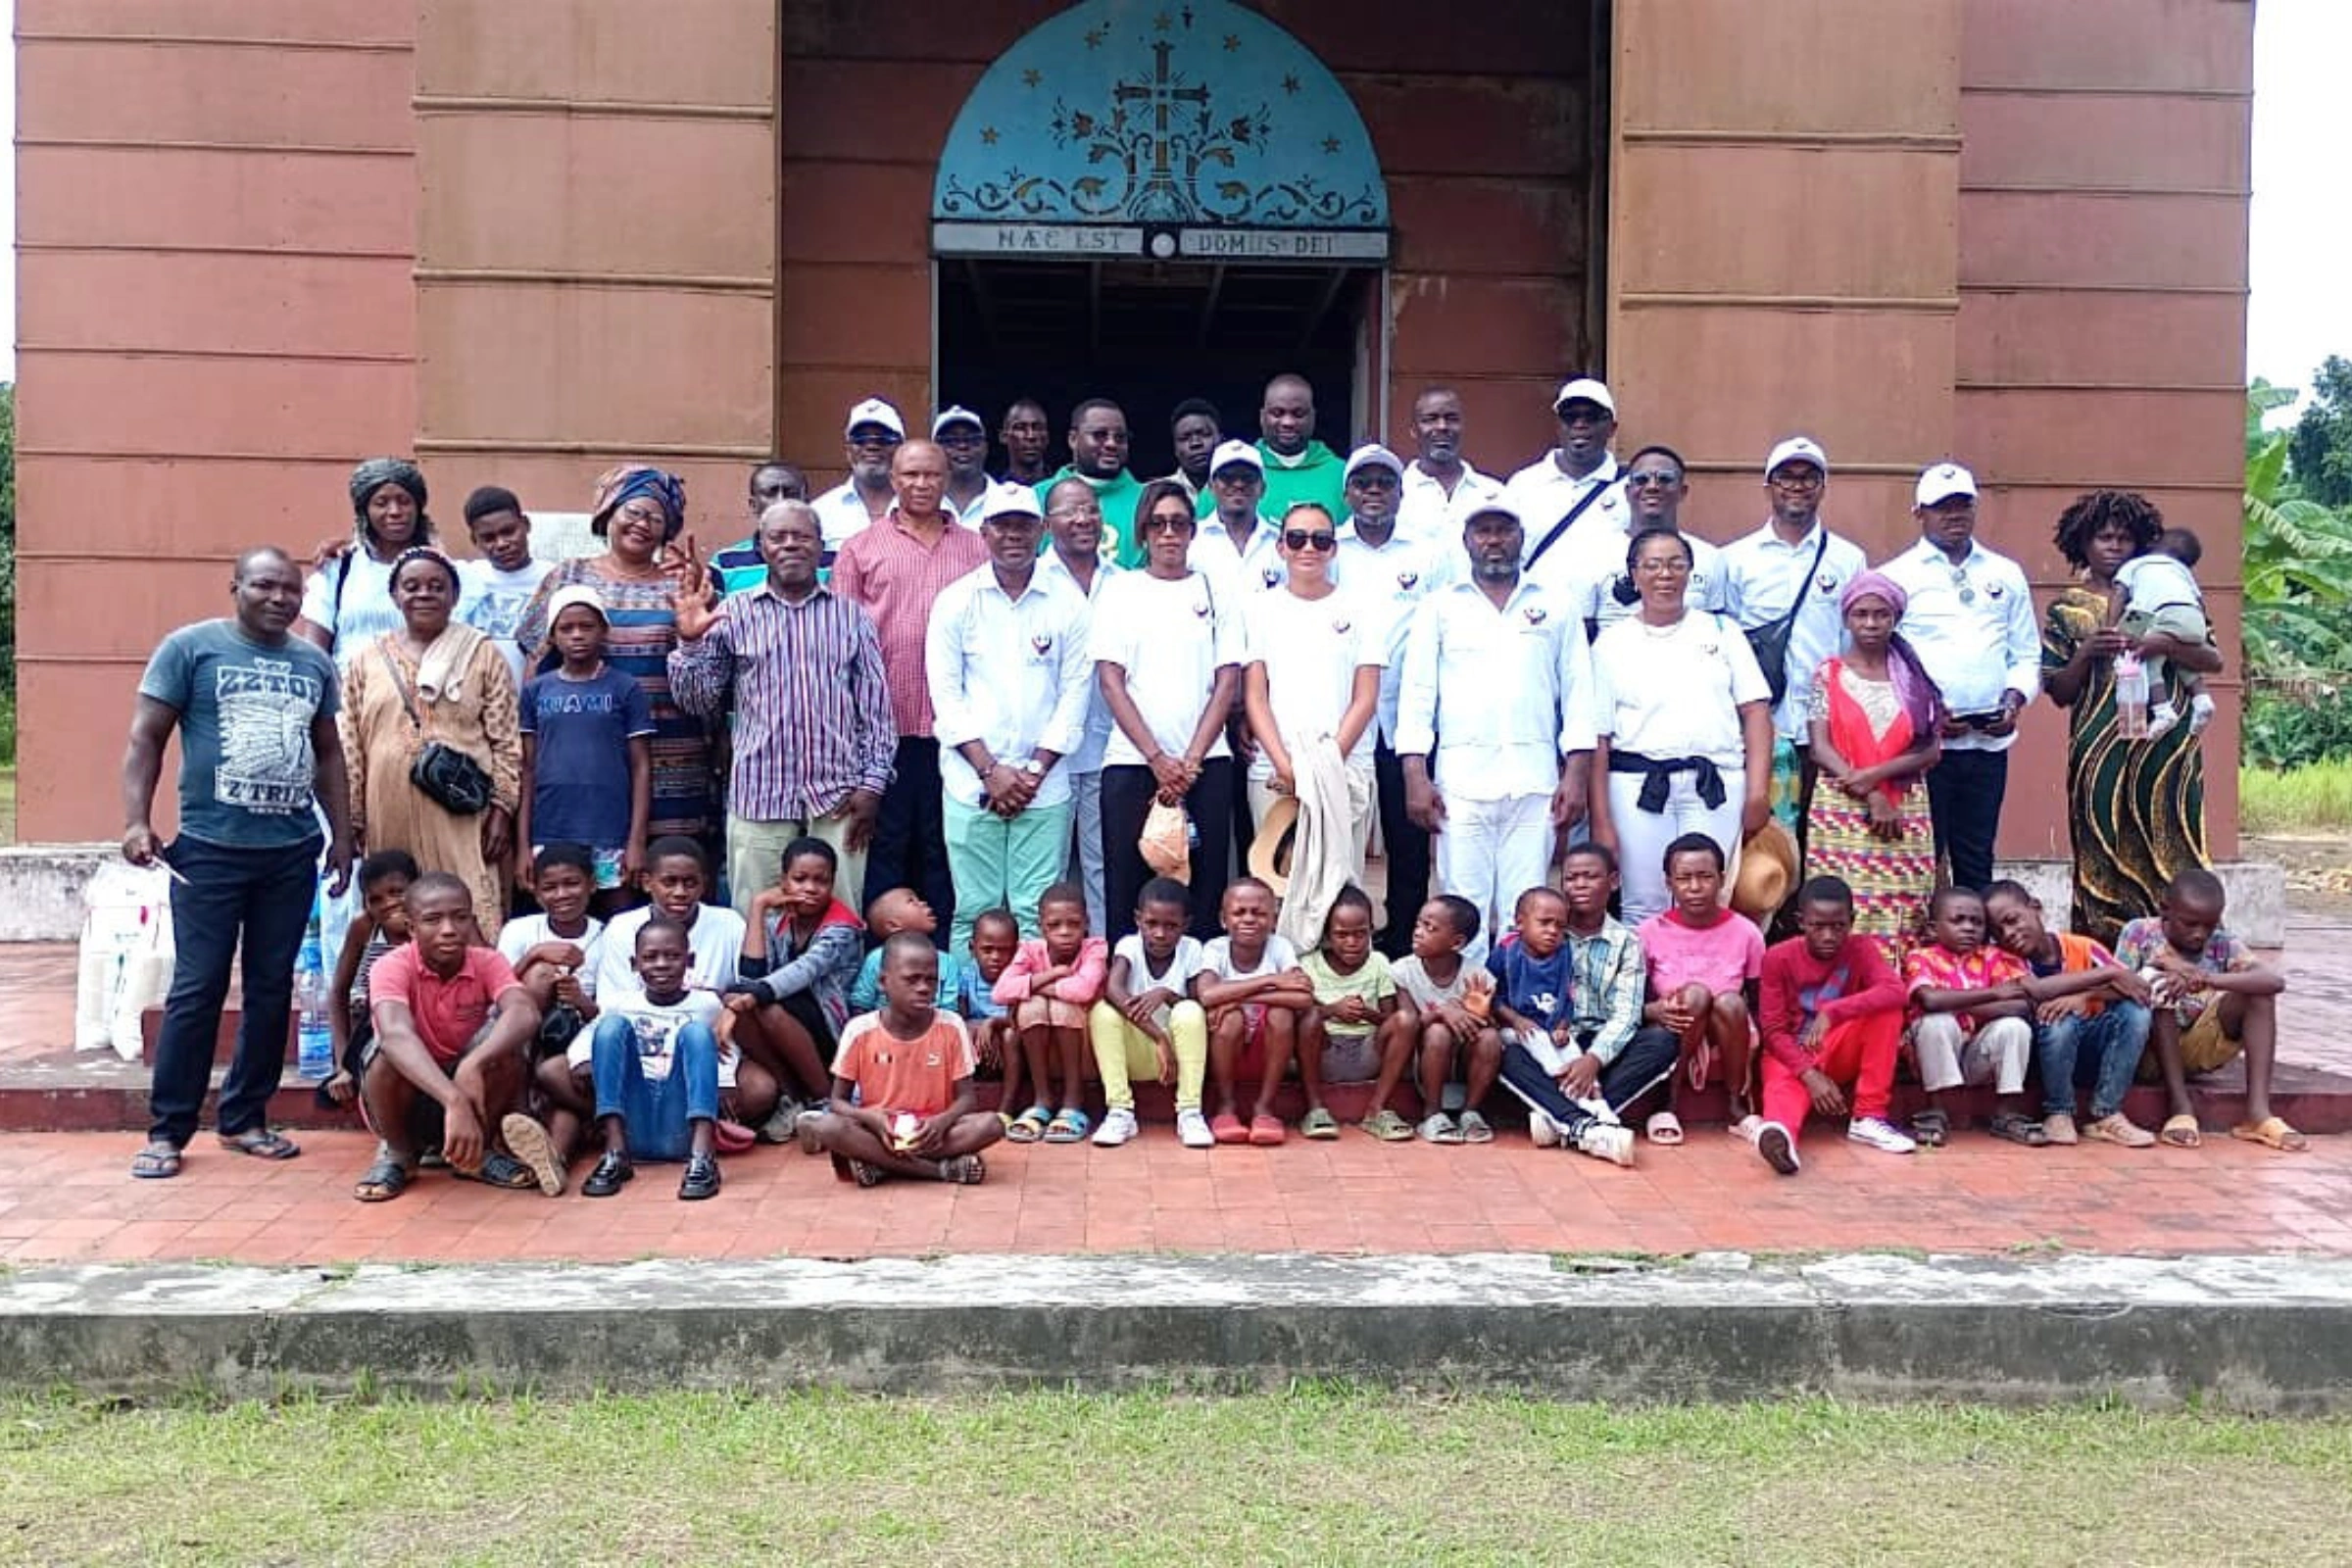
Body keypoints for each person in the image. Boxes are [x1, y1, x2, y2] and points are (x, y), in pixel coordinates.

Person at [122, 547, 354, 1179]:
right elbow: (147, 736)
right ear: (236, 588)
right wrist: (137, 819)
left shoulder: (313, 662)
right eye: (265, 586)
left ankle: (244, 1118)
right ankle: (168, 1130)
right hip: (208, 852)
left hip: (289, 853)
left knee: (270, 987)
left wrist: (342, 834)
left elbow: (328, 753)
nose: (280, 598)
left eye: (290, 590)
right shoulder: (191, 649)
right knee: (197, 990)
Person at [668, 500, 894, 920]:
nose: (791, 545)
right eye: (778, 537)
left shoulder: (851, 617)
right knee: (758, 918)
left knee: (839, 920)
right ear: (762, 547)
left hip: (839, 796)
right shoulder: (733, 614)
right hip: (760, 793)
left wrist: (872, 785)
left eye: (802, 536)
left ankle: (831, 990)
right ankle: (760, 988)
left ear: (819, 545)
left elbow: (876, 713)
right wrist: (689, 643)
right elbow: (697, 701)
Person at [1396, 499, 1595, 941]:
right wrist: (1415, 773)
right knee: (1461, 906)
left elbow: (1580, 693)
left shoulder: (1556, 604)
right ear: (1466, 540)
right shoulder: (1439, 606)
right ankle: (1467, 1006)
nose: (1494, 541)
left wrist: (1577, 773)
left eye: (1503, 531)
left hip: (1535, 779)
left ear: (1521, 537)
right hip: (1460, 782)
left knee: (1527, 905)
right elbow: (1417, 695)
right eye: (1483, 531)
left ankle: (1515, 1003)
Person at [2042, 491, 2222, 947]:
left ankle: (2182, 958)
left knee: (2172, 842)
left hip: (2167, 744)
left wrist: (2165, 646)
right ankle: (2102, 962)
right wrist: (2086, 653)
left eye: (2125, 537)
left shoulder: (2171, 590)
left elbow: (2212, 659)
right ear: (2082, 543)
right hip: (2099, 749)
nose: (2114, 546)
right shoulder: (2068, 608)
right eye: (2104, 537)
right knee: (2100, 843)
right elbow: (2058, 691)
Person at [927, 483, 1094, 951]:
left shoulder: (1067, 602)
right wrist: (990, 771)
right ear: (984, 532)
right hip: (969, 781)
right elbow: (946, 697)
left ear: (1041, 530)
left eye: (1024, 525)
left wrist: (1032, 772)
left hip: (1044, 786)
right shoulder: (956, 601)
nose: (1013, 535)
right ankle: (965, 1013)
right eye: (1003, 526)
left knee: (1035, 910)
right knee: (974, 909)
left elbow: (1075, 695)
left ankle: (1028, 1013)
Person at [834, 438, 991, 931]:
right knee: (885, 847)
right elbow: (841, 647)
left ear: (946, 479)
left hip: (958, 730)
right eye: (910, 475)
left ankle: (945, 963)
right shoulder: (860, 549)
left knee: (945, 848)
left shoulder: (976, 548)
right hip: (885, 728)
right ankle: (881, 971)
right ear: (893, 479)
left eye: (931, 475)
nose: (921, 484)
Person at [515, 464, 712, 847]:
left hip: (672, 753)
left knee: (667, 869)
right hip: (585, 756)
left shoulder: (684, 583)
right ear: (609, 512)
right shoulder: (568, 576)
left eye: (656, 518)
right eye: (634, 512)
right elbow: (536, 663)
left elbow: (708, 667)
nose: (643, 524)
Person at [1586, 527, 1774, 928]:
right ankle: (1649, 989)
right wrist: (1601, 818)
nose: (1665, 575)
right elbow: (1598, 737)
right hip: (1637, 786)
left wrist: (1758, 790)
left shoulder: (1722, 631)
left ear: (1691, 572)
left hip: (1715, 783)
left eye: (1675, 564)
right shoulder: (1611, 643)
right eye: (1652, 565)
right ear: (1633, 575)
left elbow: (1756, 712)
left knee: (1710, 894)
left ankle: (1713, 988)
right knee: (1644, 900)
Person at [339, 546, 521, 940]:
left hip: (460, 813)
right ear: (395, 596)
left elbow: (506, 739)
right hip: (387, 812)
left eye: (436, 586)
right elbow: (350, 743)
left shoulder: (482, 654)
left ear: (454, 597)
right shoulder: (366, 660)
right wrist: (352, 819)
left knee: (465, 908)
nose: (424, 594)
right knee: (395, 913)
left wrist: (502, 808)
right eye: (412, 586)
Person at [1094, 479, 1244, 941]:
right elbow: (1110, 680)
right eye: (1157, 524)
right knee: (1130, 886)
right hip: (1133, 763)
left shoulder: (1215, 591)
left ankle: (1198, 990)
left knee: (1203, 882)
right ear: (1142, 532)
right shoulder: (1120, 591)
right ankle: (1128, 988)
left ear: (1193, 530)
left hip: (1206, 766)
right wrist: (1158, 759)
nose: (1169, 534)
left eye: (1179, 523)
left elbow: (1228, 679)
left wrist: (1190, 761)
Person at [1878, 463, 2039, 891]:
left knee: (1976, 856)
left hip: (1988, 742)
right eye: (1941, 507)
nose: (1954, 515)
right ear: (1919, 513)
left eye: (1963, 505)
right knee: (1920, 857)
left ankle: (1975, 953)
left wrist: (2014, 700)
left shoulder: (2005, 573)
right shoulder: (1896, 576)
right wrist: (1925, 714)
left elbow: (2025, 654)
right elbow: (1883, 661)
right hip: (1925, 748)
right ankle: (1920, 954)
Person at [353, 872, 545, 1201]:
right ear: (411, 928)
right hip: (411, 1098)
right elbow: (395, 1033)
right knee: (386, 1055)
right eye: (432, 920)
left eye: (459, 918)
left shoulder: (487, 961)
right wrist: (453, 1099)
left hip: (471, 1092)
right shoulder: (390, 965)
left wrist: (474, 1064)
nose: (448, 930)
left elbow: (524, 1011)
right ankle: (399, 1155)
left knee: (506, 1048)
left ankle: (476, 1153)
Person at [1243, 500, 1382, 939]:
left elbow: (1366, 697)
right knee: (1278, 882)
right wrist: (1289, 769)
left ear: (1333, 549)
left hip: (1344, 769)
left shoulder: (1361, 608)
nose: (1309, 548)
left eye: (1320, 539)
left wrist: (1323, 767)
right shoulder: (1258, 609)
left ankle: (1336, 995)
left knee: (1340, 887)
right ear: (1281, 547)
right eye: (1297, 538)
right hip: (1275, 771)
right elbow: (1255, 695)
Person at [1336, 443, 1452, 957]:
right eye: (1364, 483)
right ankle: (1343, 943)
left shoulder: (1428, 552)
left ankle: (1405, 944)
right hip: (1344, 715)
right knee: (1341, 837)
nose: (1374, 492)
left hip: (1410, 715)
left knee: (1409, 839)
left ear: (1401, 492)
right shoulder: (1328, 546)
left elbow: (1448, 624)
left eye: (1385, 482)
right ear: (1347, 493)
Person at [1720, 436, 1867, 834]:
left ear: (1823, 487)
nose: (1797, 486)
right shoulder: (1735, 559)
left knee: (1821, 837)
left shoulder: (1848, 559)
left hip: (1826, 732)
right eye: (1786, 477)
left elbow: (1852, 644)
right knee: (1764, 847)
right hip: (1759, 728)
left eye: (1808, 477)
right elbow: (1725, 643)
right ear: (1769, 487)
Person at [1491, 855, 1678, 1164]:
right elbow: (1500, 991)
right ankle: (1586, 1124)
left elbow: (1626, 1014)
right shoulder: (1536, 934)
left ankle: (1560, 1119)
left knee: (1661, 1042)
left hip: (1602, 1047)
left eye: (1590, 877)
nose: (1579, 885)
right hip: (1551, 1045)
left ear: (1613, 882)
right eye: (1571, 878)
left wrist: (1592, 1060)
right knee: (1505, 1051)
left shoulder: (1626, 942)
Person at [1804, 571, 1945, 962]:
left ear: (1894, 618)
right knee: (1842, 900)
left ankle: (1896, 997)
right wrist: (1869, 794)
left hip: (1904, 805)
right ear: (1846, 618)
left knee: (1904, 902)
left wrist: (1875, 780)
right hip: (1840, 808)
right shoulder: (1828, 674)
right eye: (1861, 614)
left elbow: (1931, 749)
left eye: (1880, 614)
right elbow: (1820, 747)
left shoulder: (1914, 678)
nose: (1870, 623)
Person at [2116, 868, 2304, 1153]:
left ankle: (2257, 1115)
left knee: (2258, 995)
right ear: (2165, 910)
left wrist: (2205, 979)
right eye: (2190, 924)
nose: (2199, 934)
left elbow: (2273, 981)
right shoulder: (2139, 933)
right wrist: (2161, 971)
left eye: (2209, 925)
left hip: (2197, 1045)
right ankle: (2180, 1109)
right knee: (2158, 984)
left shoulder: (2222, 943)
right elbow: (2118, 986)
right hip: (2145, 1049)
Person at [805, 933, 1004, 1186]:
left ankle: (884, 1165)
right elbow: (838, 1102)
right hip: (881, 1131)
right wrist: (872, 1118)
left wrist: (940, 1122)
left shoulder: (952, 1026)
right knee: (827, 1127)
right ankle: (939, 1171)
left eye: (931, 980)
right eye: (912, 979)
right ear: (882, 982)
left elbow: (967, 1099)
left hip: (933, 1133)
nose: (923, 988)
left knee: (991, 1125)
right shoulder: (859, 1030)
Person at [1753, 875, 1917, 1175]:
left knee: (1886, 1010)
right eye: (1818, 926)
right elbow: (1774, 1032)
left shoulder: (1861, 948)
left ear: (1852, 921)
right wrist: (1809, 1074)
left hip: (1835, 1046)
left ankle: (1868, 1116)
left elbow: (1896, 991)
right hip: (1789, 1055)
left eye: (1838, 926)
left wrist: (1834, 1011)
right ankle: (1780, 1138)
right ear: (1801, 922)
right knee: (1783, 1092)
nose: (1828, 936)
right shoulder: (1777, 958)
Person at [1983, 881, 2157, 1147]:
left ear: (2035, 908)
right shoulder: (2004, 959)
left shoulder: (2082, 947)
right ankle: (2058, 1112)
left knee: (2136, 1011)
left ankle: (2107, 1112)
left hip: (2089, 1053)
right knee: (2058, 1016)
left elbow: (2138, 987)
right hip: (2039, 1060)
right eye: (1998, 931)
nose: (2008, 933)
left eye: (2012, 920)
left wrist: (2085, 996)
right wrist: (2105, 975)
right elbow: (2039, 992)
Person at [567, 916, 727, 1200]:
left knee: (697, 1034)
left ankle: (702, 1157)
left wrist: (725, 1086)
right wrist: (588, 1063)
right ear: (634, 964)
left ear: (689, 960)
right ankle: (615, 1153)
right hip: (634, 1118)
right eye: (650, 957)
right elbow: (589, 1039)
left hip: (680, 1119)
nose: (662, 964)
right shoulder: (621, 1003)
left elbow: (725, 1050)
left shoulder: (707, 1004)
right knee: (611, 1027)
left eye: (673, 956)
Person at [515, 585, 653, 911]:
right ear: (552, 636)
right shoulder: (536, 692)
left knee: (618, 920)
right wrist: (522, 846)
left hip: (610, 831)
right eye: (566, 628)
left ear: (603, 631)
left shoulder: (625, 688)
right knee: (559, 921)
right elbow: (527, 768)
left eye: (586, 626)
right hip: (550, 829)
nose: (577, 635)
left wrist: (636, 841)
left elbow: (641, 767)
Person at [1637, 834, 1766, 1141]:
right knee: (1695, 995)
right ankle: (1666, 1104)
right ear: (1669, 883)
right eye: (1684, 878)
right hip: (1675, 1025)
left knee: (1731, 1002)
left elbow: (1759, 999)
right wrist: (1654, 1012)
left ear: (1722, 880)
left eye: (1705, 877)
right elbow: (1637, 1000)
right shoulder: (1648, 933)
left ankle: (1737, 1106)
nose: (1694, 888)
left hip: (1727, 1028)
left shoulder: (1747, 933)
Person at [726, 836, 859, 1133]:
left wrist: (750, 997)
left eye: (820, 880)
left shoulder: (842, 928)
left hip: (832, 1030)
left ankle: (826, 1099)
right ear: (783, 881)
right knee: (739, 1001)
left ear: (832, 882)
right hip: (787, 1026)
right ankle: (792, 1098)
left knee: (764, 1007)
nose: (810, 888)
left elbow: (803, 971)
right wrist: (759, 908)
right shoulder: (778, 922)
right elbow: (750, 979)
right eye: (800, 879)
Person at [1036, 478, 1120, 934]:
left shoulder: (1123, 582)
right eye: (1070, 511)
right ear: (1047, 524)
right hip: (1044, 754)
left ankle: (1102, 960)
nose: (1083, 518)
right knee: (1045, 872)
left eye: (1090, 509)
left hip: (1107, 750)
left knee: (1100, 863)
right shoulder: (1033, 581)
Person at [1903, 886, 2039, 1147]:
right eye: (1958, 920)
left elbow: (2021, 1005)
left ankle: (2006, 1112)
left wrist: (1954, 1001)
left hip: (1978, 1056)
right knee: (1936, 1022)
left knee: (2014, 1027)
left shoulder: (1995, 958)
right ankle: (1936, 1109)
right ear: (1933, 929)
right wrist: (1994, 994)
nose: (1968, 928)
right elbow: (1930, 1000)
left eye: (1977, 922)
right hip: (1934, 1056)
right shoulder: (1921, 957)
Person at [1089, 876, 1214, 1150]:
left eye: (1171, 926)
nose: (1160, 933)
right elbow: (1113, 990)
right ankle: (1120, 1110)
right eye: (1152, 924)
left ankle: (1190, 1112)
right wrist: (1160, 1038)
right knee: (1103, 1012)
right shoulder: (1128, 946)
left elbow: (1199, 1000)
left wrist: (1166, 994)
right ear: (1138, 920)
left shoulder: (1192, 948)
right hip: (1141, 1053)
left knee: (1190, 1011)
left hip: (1178, 1060)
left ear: (1186, 925)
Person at [1195, 876, 1317, 1145]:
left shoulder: (1280, 947)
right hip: (1227, 1050)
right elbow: (1207, 995)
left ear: (1273, 920)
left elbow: (1304, 997)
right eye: (1239, 912)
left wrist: (1236, 996)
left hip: (1270, 1051)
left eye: (1259, 913)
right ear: (1223, 919)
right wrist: (1271, 981)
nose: (1249, 919)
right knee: (1230, 1018)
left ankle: (1265, 1108)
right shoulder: (1215, 948)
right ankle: (1226, 1106)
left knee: (1281, 1014)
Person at [1568, 445, 1730, 638]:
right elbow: (1582, 635)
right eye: (1641, 480)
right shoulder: (1591, 556)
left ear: (1682, 491)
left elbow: (1716, 631)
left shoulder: (1710, 558)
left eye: (1665, 479)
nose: (1652, 487)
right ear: (1628, 492)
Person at [991, 882, 1109, 1146]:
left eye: (1073, 924)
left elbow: (1083, 990)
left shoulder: (1095, 948)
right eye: (1054, 925)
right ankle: (1042, 1099)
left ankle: (1073, 1100)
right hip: (1043, 1046)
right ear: (1041, 926)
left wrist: (1035, 986)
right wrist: (1052, 975)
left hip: (1086, 1048)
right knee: (1033, 1006)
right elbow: (1000, 991)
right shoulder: (1031, 950)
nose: (1065, 932)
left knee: (1061, 1005)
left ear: (1087, 923)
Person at [296, 458, 435, 668]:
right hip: (346, 692)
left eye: (404, 501)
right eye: (381, 503)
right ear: (365, 512)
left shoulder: (441, 572)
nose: (395, 511)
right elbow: (314, 649)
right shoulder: (338, 569)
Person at [1385, 895, 1497, 1145]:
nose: (1418, 933)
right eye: (1418, 924)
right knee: (1438, 1032)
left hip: (1463, 1059)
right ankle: (1432, 1113)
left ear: (1456, 942)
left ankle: (1470, 1112)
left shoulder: (1477, 976)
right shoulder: (1402, 972)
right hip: (1422, 1057)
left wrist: (1478, 1013)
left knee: (1489, 1038)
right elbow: (1409, 1025)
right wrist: (1441, 1012)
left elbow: (1492, 1025)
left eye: (1430, 928)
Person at [1499, 378, 1629, 589]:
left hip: (1607, 615)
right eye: (1570, 417)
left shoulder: (1632, 488)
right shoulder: (1524, 484)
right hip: (1537, 613)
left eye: (1592, 417)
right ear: (1558, 426)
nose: (1580, 424)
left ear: (1612, 428)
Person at [1299, 886, 1404, 1136]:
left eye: (1361, 933)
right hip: (1324, 1051)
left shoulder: (1379, 962)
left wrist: (1366, 1013)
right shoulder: (1309, 963)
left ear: (1372, 930)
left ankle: (1377, 1109)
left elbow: (1389, 1018)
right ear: (1327, 933)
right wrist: (1333, 1009)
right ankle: (1315, 1108)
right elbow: (1300, 1014)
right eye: (1342, 934)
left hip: (1368, 1050)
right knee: (1310, 1015)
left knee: (1406, 1020)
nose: (1352, 942)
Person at [323, 849, 418, 1107]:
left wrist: (416, 931)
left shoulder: (432, 923)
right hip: (373, 1028)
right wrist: (344, 1063)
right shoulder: (364, 927)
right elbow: (338, 993)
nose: (388, 904)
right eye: (375, 899)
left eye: (397, 892)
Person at [498, 842, 607, 1055]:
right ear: (537, 893)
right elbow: (495, 992)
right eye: (549, 888)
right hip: (520, 1028)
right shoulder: (518, 929)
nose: (562, 894)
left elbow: (608, 1013)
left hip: (582, 1030)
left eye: (572, 883)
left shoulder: (608, 936)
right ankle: (524, 1064)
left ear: (592, 884)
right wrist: (533, 954)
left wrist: (579, 999)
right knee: (541, 974)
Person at [455, 485, 553, 688]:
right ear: (475, 540)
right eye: (488, 538)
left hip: (539, 699)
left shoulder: (553, 578)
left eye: (509, 532)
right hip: (482, 703)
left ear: (525, 525)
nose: (501, 544)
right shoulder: (465, 579)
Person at [1037, 397, 1145, 566]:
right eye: (1099, 435)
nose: (1111, 444)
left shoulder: (1149, 499)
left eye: (1120, 437)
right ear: (1073, 439)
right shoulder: (1036, 496)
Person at [1396, 386, 1501, 543]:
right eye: (1430, 419)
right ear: (1413, 430)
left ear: (1463, 426)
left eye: (1451, 419)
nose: (1442, 427)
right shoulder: (1396, 494)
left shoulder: (1493, 493)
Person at [810, 397, 906, 562]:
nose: (872, 447)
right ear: (848, 450)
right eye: (861, 440)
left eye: (883, 439)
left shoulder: (929, 508)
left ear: (901, 447)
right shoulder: (821, 512)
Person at [1252, 372, 1348, 521]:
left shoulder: (1343, 475)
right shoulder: (1236, 472)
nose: (1288, 422)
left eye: (1298, 414)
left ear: (1313, 417)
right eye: (1277, 413)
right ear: (1262, 416)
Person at [1193, 439, 1284, 593]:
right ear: (1210, 487)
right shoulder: (1191, 540)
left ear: (1263, 488)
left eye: (1248, 478)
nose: (1238, 485)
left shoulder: (1282, 543)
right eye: (1228, 478)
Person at [710, 459, 808, 595]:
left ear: (806, 501)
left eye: (790, 492)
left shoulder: (832, 560)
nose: (781, 500)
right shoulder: (724, 563)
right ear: (753, 505)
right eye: (771, 493)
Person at [933, 405, 994, 521]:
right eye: (950, 441)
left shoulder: (1007, 500)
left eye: (973, 440)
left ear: (986, 448)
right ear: (934, 450)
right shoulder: (919, 502)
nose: (963, 446)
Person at [1163, 397, 1222, 502]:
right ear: (1175, 449)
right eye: (1184, 438)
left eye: (1204, 434)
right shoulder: (1160, 492)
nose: (1195, 443)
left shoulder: (1239, 489)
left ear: (1221, 440)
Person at [1000, 396, 1054, 487]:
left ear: (1047, 437)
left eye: (1038, 428)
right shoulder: (994, 490)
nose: (1030, 436)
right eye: (1020, 427)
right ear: (1004, 437)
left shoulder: (1061, 487)